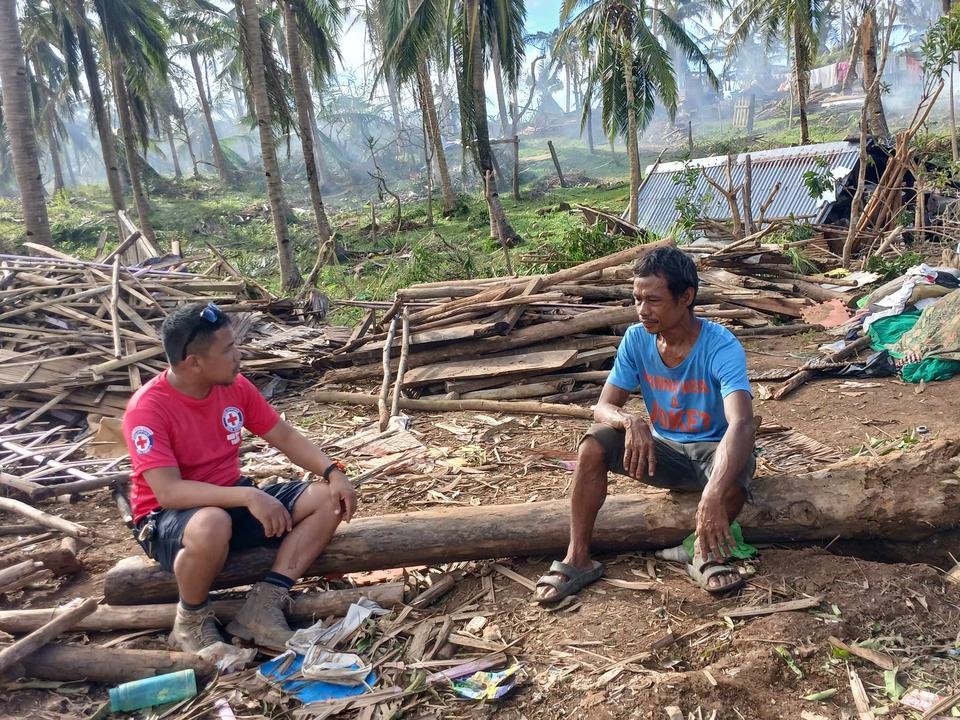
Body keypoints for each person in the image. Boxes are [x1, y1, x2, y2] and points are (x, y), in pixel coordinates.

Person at [122, 302, 358, 653]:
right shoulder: (148, 409)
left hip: (229, 498)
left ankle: (264, 605)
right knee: (212, 524)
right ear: (194, 363)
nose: (239, 355)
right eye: (229, 349)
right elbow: (169, 492)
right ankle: (191, 620)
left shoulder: (234, 387)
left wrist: (332, 471)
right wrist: (249, 497)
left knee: (327, 499)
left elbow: (284, 435)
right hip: (168, 519)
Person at [535, 246, 756, 602]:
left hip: (712, 454)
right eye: (637, 299)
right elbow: (603, 406)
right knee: (594, 442)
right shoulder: (637, 340)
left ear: (686, 297)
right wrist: (628, 419)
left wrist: (713, 493)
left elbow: (742, 423)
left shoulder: (720, 346)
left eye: (652, 300)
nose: (642, 310)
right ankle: (578, 558)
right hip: (662, 453)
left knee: (739, 457)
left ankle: (704, 553)